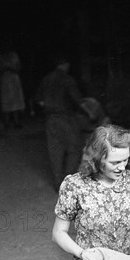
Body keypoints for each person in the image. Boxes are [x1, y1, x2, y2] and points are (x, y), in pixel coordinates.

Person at [52, 124, 130, 260]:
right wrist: (82, 253)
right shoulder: (74, 185)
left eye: (125, 160)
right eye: (115, 162)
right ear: (96, 159)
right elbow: (58, 233)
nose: (122, 167)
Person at [35, 56, 95, 191]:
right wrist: (90, 113)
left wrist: (49, 105)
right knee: (74, 149)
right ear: (65, 64)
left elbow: (39, 101)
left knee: (54, 151)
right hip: (66, 118)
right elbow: (77, 100)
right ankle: (67, 181)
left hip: (50, 120)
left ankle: (58, 184)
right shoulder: (67, 79)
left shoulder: (46, 79)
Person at [0, 51, 25, 129]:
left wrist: (11, 67)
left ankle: (16, 122)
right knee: (5, 101)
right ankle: (6, 123)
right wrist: (4, 68)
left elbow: (19, 68)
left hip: (14, 80)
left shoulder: (14, 55)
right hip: (4, 80)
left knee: (16, 101)